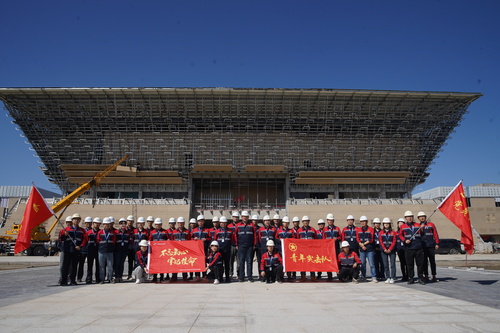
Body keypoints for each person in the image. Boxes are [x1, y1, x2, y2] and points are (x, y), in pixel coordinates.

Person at [59, 213, 88, 286]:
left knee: (74, 266)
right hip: (67, 250)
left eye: (78, 219)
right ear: (72, 220)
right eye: (75, 219)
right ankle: (64, 280)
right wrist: (64, 235)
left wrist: (80, 246)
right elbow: (60, 239)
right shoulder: (65, 230)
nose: (76, 221)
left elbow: (84, 240)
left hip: (76, 250)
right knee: (65, 266)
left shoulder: (82, 230)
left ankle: (72, 280)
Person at [399, 211, 425, 285]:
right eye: (408, 217)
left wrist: (422, 229)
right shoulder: (403, 227)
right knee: (409, 264)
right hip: (409, 248)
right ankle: (411, 278)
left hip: (418, 247)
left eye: (411, 216)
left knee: (420, 264)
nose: (409, 218)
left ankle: (420, 277)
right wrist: (404, 240)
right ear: (405, 218)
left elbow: (422, 235)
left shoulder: (418, 225)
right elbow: (400, 235)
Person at [418, 211, 440, 282]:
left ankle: (434, 275)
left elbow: (435, 234)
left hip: (430, 245)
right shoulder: (417, 226)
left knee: (432, 261)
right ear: (418, 218)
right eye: (420, 217)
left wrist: (437, 243)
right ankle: (426, 275)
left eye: (423, 216)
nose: (422, 218)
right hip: (423, 246)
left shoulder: (431, 225)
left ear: (425, 217)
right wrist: (421, 228)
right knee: (424, 262)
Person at [235, 211, 257, 282]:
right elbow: (235, 236)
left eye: (246, 216)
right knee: (241, 262)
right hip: (241, 246)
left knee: (249, 262)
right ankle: (241, 277)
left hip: (249, 246)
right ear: (241, 217)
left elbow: (254, 236)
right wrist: (236, 244)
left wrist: (254, 244)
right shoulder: (238, 225)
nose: (245, 218)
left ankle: (249, 277)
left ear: (248, 217)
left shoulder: (252, 225)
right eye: (243, 216)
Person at [214, 216, 235, 283]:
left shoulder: (230, 231)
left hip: (227, 250)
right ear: (220, 223)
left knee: (227, 264)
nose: (223, 224)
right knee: (220, 264)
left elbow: (232, 240)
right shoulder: (217, 231)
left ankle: (227, 277)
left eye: (224, 223)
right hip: (219, 250)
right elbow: (215, 240)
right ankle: (220, 277)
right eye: (222, 223)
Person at [256, 215, 277, 281]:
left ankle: (270, 275)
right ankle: (262, 275)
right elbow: (259, 238)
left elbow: (275, 238)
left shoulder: (273, 229)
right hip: (263, 248)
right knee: (262, 262)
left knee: (270, 262)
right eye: (266, 221)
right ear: (263, 221)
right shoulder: (261, 229)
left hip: (271, 248)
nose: (267, 222)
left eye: (268, 221)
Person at [356, 216, 376, 282]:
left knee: (372, 264)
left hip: (369, 249)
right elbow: (357, 239)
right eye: (361, 221)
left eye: (364, 221)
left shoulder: (371, 229)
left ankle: (374, 276)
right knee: (363, 264)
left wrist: (363, 244)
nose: (362, 223)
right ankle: (363, 276)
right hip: (362, 250)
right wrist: (361, 245)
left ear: (367, 222)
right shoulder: (358, 230)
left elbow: (371, 239)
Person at [297, 216, 317, 282]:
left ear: (309, 222)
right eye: (304, 221)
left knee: (312, 263)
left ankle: (313, 276)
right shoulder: (299, 230)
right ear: (302, 222)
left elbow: (316, 239)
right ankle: (303, 276)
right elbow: (297, 240)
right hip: (302, 250)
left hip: (311, 250)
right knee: (302, 263)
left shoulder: (313, 230)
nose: (306, 222)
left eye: (307, 221)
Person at [171, 217, 191, 282]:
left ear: (184, 223)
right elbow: (172, 241)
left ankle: (185, 277)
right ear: (177, 223)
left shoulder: (187, 231)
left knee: (184, 264)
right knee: (175, 264)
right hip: (176, 251)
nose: (180, 224)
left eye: (182, 223)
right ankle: (174, 277)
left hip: (184, 251)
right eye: (179, 223)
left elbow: (189, 240)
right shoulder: (174, 232)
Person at [192, 215, 211, 281]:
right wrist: (194, 239)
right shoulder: (194, 230)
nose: (201, 223)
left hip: (204, 248)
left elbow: (210, 238)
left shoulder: (207, 230)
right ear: (197, 222)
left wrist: (205, 239)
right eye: (199, 221)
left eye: (202, 221)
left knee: (204, 262)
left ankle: (204, 275)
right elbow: (190, 239)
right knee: (196, 262)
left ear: (204, 222)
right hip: (196, 249)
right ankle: (197, 276)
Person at [276, 216, 295, 281]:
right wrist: (280, 240)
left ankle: (289, 276)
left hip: (288, 250)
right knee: (281, 263)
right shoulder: (279, 230)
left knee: (289, 263)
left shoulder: (290, 231)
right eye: (284, 222)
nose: (286, 224)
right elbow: (276, 238)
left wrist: (288, 240)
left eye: (287, 223)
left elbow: (293, 239)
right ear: (282, 223)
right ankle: (282, 276)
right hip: (281, 249)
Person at [97, 217, 116, 284]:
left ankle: (110, 278)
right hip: (101, 251)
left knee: (110, 266)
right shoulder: (100, 232)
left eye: (108, 224)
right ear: (103, 225)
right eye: (105, 224)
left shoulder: (112, 233)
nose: (106, 225)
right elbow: (98, 240)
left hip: (109, 251)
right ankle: (102, 279)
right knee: (101, 266)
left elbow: (114, 241)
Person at [149, 218, 168, 283]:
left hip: (162, 251)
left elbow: (168, 239)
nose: (158, 226)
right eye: (157, 224)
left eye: (159, 224)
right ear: (155, 225)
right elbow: (150, 240)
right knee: (155, 265)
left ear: (161, 224)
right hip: (155, 251)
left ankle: (161, 277)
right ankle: (155, 277)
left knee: (162, 265)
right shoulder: (152, 232)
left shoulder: (165, 232)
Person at [323, 213, 341, 281]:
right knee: (329, 262)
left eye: (331, 220)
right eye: (329, 220)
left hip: (336, 248)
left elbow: (340, 236)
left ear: (333, 221)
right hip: (328, 249)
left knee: (337, 261)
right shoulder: (325, 229)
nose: (330, 221)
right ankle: (329, 276)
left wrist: (337, 239)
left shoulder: (337, 228)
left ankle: (339, 274)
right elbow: (323, 239)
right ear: (327, 221)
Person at [379, 217, 397, 284]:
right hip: (384, 251)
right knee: (385, 265)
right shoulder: (381, 233)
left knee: (392, 264)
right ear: (383, 224)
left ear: (390, 224)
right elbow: (380, 242)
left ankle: (392, 277)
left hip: (391, 250)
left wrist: (390, 249)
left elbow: (394, 241)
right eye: (385, 223)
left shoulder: (393, 232)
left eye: (387, 223)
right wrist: (384, 249)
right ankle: (388, 277)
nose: (386, 224)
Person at [114, 218, 132, 282]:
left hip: (124, 251)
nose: (123, 225)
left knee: (122, 264)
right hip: (117, 251)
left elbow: (129, 241)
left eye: (124, 224)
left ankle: (120, 277)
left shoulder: (128, 233)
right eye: (121, 224)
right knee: (117, 264)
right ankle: (116, 276)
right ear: (119, 225)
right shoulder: (116, 232)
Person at [85, 217, 101, 284]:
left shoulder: (101, 232)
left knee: (98, 265)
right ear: (93, 224)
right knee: (89, 265)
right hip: (90, 250)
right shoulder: (88, 232)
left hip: (98, 250)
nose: (97, 225)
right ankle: (89, 278)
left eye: (98, 223)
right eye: (95, 223)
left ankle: (98, 278)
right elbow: (85, 241)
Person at [77, 216, 93, 282]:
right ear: (85, 223)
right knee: (81, 264)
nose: (88, 224)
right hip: (83, 250)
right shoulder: (82, 231)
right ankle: (79, 277)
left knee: (90, 265)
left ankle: (89, 278)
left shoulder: (93, 231)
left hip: (90, 250)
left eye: (89, 223)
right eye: (87, 223)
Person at [228, 211, 239, 278]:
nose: (235, 218)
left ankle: (238, 273)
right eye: (234, 217)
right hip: (232, 245)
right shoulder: (229, 226)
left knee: (239, 261)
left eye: (237, 217)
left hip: (239, 245)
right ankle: (230, 273)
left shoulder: (240, 225)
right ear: (232, 218)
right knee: (230, 260)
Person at [125, 215, 136, 281]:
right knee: (121, 262)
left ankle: (131, 274)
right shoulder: (125, 229)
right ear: (127, 221)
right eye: (129, 221)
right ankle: (118, 275)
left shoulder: (135, 230)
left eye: (131, 221)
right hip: (126, 248)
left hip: (132, 249)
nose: (130, 222)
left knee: (132, 262)